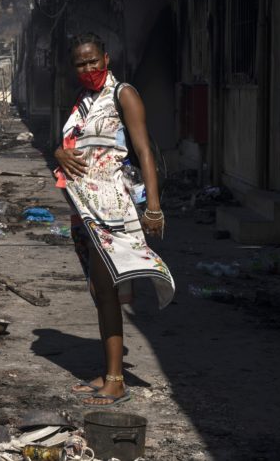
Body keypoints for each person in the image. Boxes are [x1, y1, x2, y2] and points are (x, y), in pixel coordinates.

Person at [53, 33, 175, 407]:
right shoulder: (80, 101)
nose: (87, 68)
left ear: (105, 57)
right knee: (99, 291)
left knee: (108, 285)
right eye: (80, 63)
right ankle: (109, 373)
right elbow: (70, 145)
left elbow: (143, 149)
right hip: (83, 209)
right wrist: (59, 152)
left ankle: (117, 381)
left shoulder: (123, 94)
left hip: (112, 208)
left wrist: (153, 206)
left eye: (93, 60)